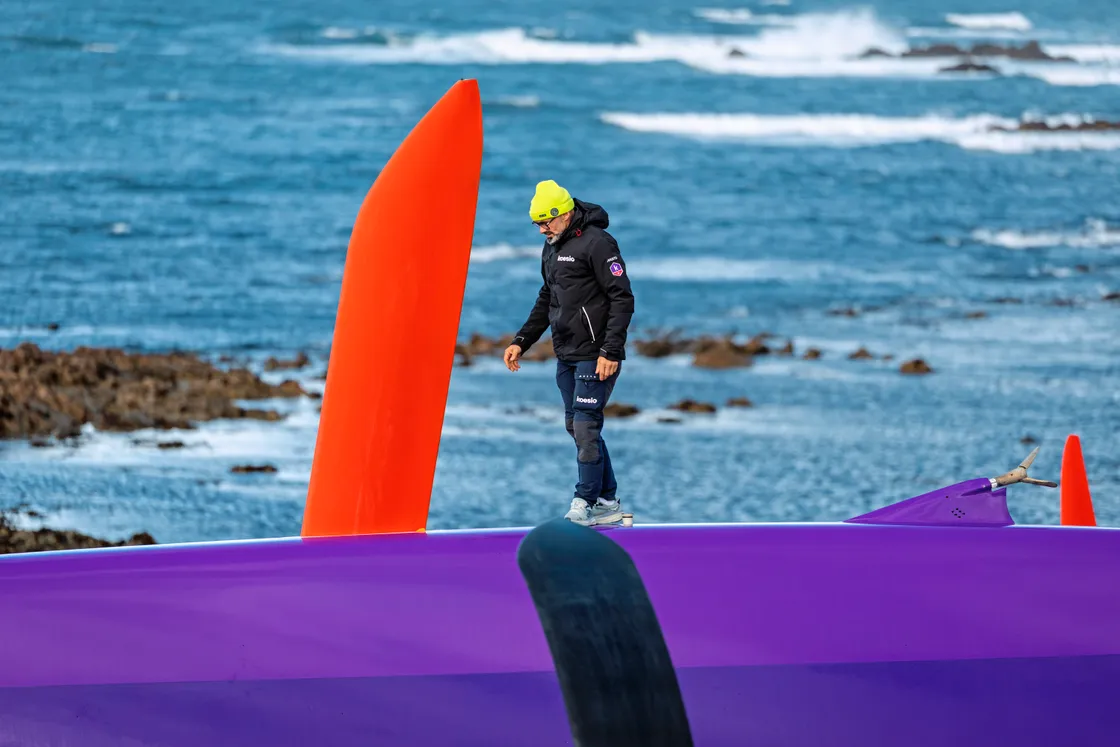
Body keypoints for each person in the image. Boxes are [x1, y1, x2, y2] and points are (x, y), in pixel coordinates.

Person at [503, 180, 635, 526]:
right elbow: (548, 296)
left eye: (547, 222)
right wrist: (522, 340)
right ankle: (607, 501)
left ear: (565, 213)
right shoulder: (551, 246)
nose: (542, 229)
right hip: (567, 353)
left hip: (597, 353)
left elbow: (623, 298)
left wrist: (611, 350)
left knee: (586, 425)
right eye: (537, 224)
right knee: (576, 426)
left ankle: (584, 502)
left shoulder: (598, 243)